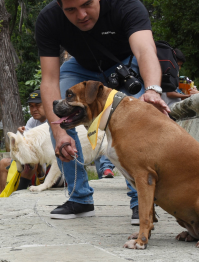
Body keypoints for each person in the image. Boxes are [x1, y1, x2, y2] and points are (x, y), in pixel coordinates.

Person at [35, 0, 170, 223]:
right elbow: (49, 80)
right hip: (81, 68)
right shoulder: (48, 19)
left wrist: (153, 91)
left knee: (133, 119)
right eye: (71, 10)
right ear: (60, 6)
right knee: (58, 115)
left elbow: (145, 50)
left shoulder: (125, 5)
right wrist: (60, 133)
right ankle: (79, 198)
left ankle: (141, 203)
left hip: (126, 64)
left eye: (87, 4)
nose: (81, 15)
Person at [0, 90, 51, 193]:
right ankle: (2, 199)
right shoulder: (32, 121)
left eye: (38, 105)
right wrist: (21, 136)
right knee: (3, 163)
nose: (34, 109)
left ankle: (18, 194)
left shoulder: (53, 120)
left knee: (31, 159)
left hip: (51, 164)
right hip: (35, 161)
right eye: (31, 106)